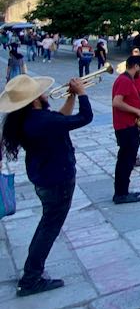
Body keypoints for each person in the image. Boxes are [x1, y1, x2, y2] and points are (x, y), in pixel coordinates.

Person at [1, 74, 93, 297]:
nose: (44, 94)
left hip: (43, 176)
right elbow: (85, 117)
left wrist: (70, 97)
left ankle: (32, 272)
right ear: (34, 99)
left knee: (47, 224)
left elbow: (60, 121)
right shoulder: (41, 121)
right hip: (56, 179)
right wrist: (81, 93)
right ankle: (31, 277)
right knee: (49, 228)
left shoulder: (28, 118)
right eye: (39, 92)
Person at [111, 56, 140, 204]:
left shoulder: (127, 80)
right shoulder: (125, 81)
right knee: (125, 162)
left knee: (126, 161)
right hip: (126, 127)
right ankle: (121, 194)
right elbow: (117, 102)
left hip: (128, 125)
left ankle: (122, 191)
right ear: (136, 66)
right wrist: (138, 111)